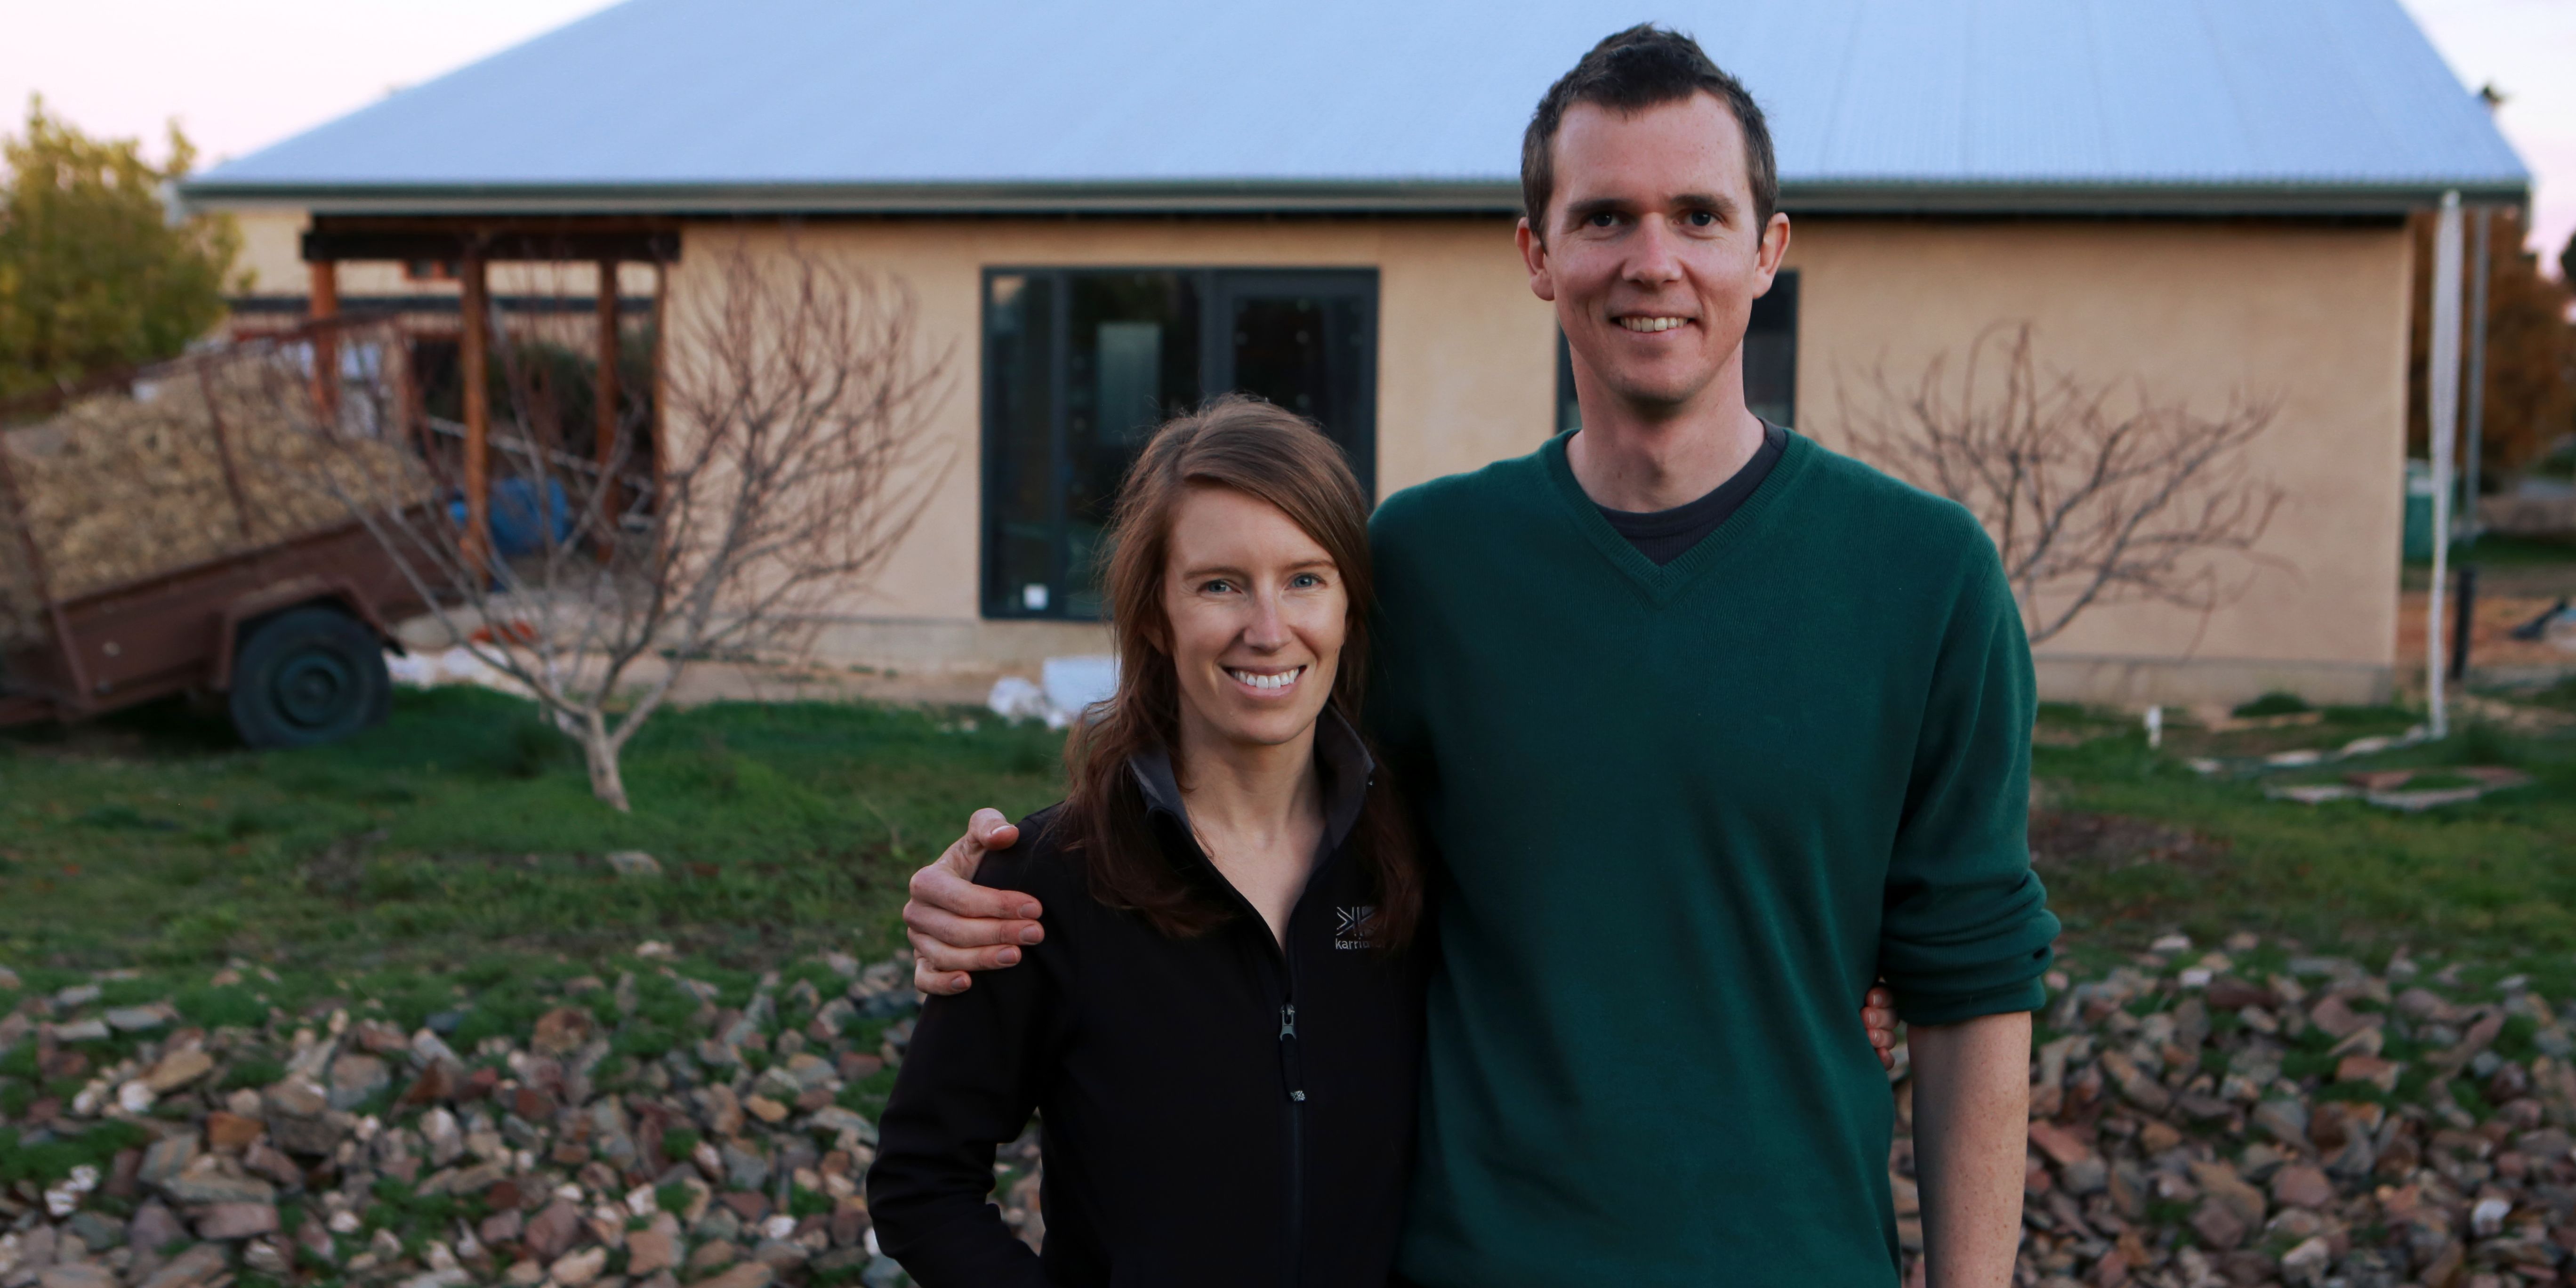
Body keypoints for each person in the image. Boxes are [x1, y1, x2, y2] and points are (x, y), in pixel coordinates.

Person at [902, 25, 2050, 1288]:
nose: (1652, 261)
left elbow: (1974, 985)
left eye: (1700, 216)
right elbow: (1247, 819)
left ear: (1768, 252)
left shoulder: (1925, 575)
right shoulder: (1428, 563)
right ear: (1537, 254)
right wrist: (1008, 895)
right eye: (1605, 217)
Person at [866, 399, 1433, 1285]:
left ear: (1351, 608)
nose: (1269, 628)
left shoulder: (1409, 862)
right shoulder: (1047, 882)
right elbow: (921, 1181)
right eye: (1219, 584)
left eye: (1305, 579)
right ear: (1157, 618)